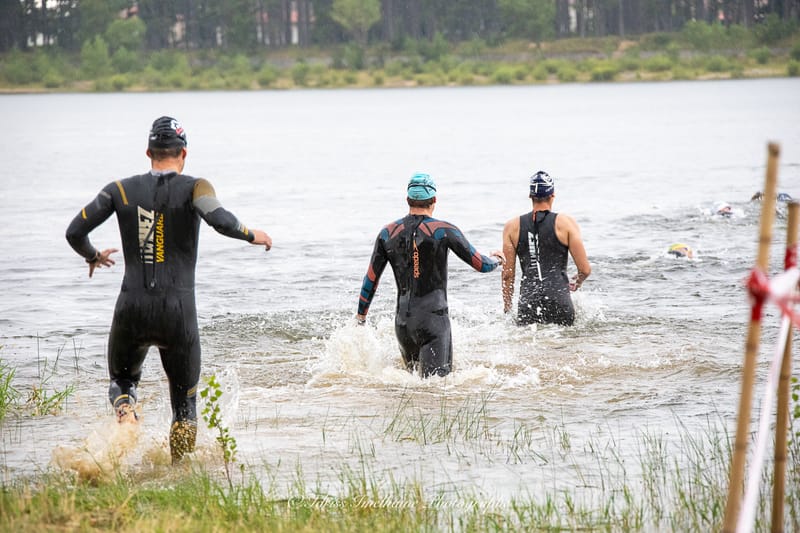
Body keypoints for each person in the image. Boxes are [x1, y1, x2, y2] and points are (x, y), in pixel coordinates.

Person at [65, 116, 272, 463]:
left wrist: (94, 256)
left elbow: (74, 232)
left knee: (122, 381)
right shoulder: (196, 187)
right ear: (183, 153)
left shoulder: (119, 190)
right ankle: (179, 471)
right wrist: (252, 234)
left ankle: (126, 411)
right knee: (185, 405)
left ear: (149, 152)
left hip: (131, 308)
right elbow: (219, 219)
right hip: (178, 314)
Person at [355, 173, 505, 378]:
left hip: (403, 325)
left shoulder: (387, 233)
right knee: (436, 388)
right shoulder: (444, 230)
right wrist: (497, 259)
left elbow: (371, 279)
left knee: (410, 385)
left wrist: (361, 317)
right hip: (433, 323)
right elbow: (481, 264)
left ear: (407, 199)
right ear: (434, 200)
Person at [501, 171, 591, 326]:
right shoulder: (566, 223)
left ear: (530, 196)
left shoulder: (512, 227)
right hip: (560, 301)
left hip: (528, 304)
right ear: (552, 195)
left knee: (528, 340)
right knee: (565, 341)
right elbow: (585, 269)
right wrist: (578, 282)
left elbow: (508, 275)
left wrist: (507, 308)